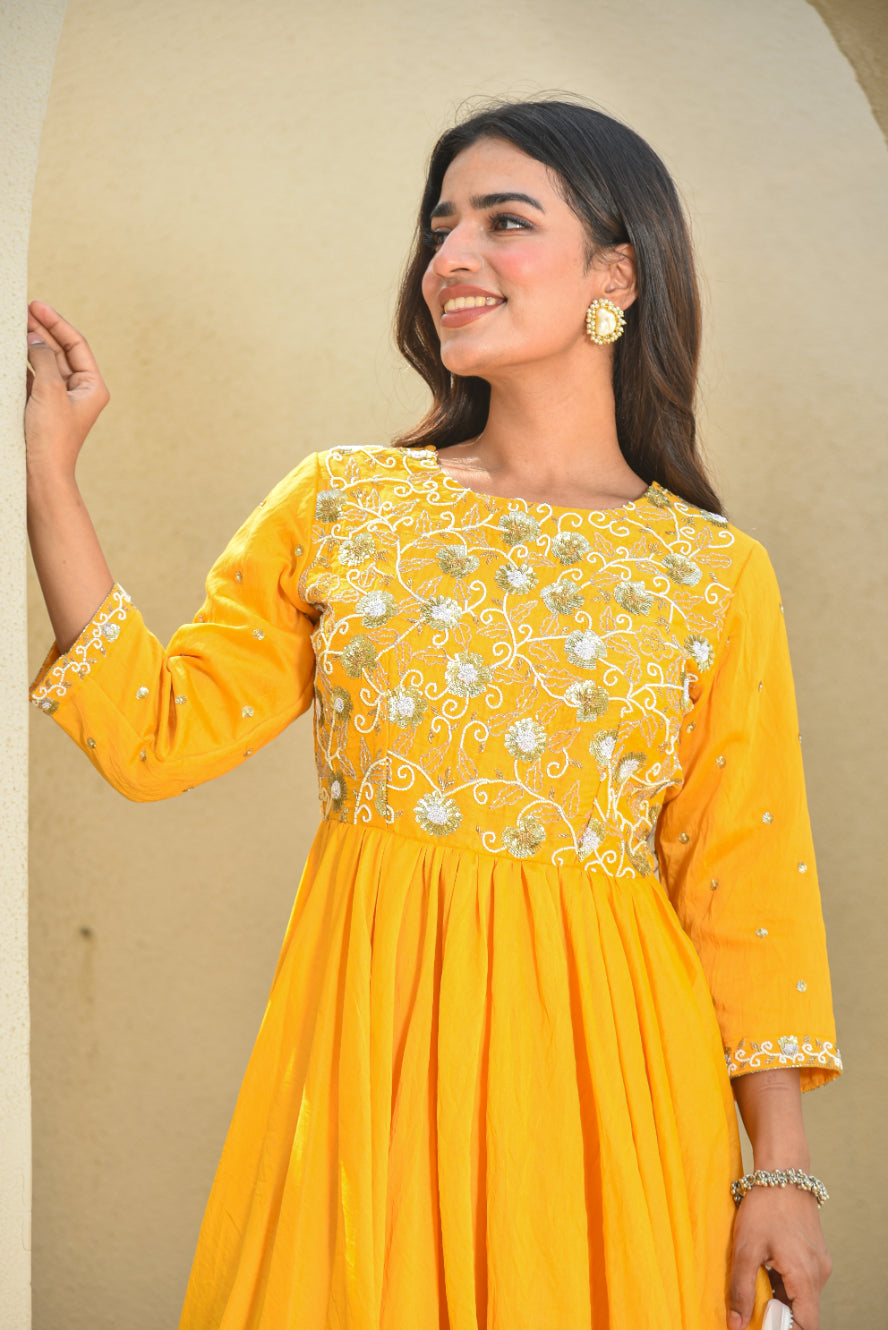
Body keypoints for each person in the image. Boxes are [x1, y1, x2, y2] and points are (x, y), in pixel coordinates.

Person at [25, 98, 840, 1330]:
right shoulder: (346, 505)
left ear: (616, 274)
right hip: (376, 1076)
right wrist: (49, 473)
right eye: (439, 226)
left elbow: (745, 885)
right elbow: (156, 733)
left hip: (612, 1098)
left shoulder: (713, 572)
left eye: (504, 222)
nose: (450, 256)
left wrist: (779, 1173)